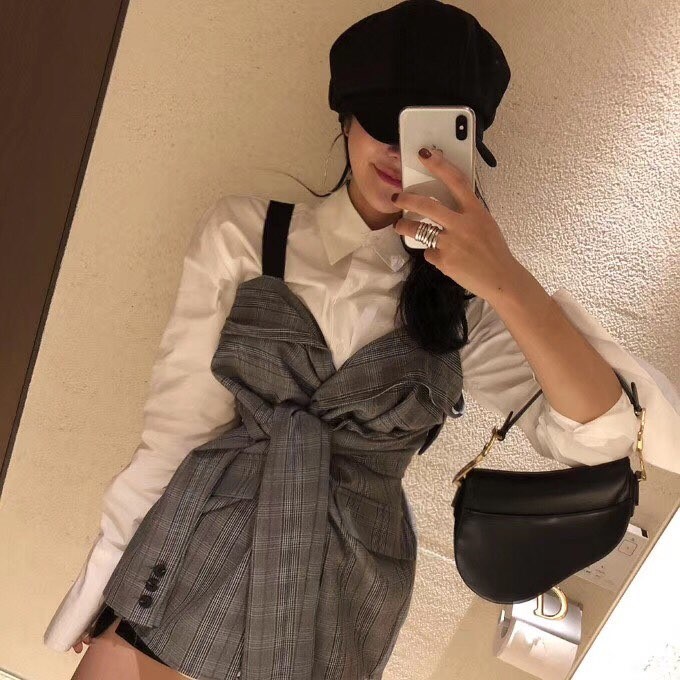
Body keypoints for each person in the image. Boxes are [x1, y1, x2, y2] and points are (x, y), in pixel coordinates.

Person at [45, 2, 650, 678]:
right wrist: (101, 585)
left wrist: (506, 279)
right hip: (188, 558)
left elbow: (601, 435)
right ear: (344, 118)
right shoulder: (246, 235)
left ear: (467, 149)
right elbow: (174, 433)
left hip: (339, 601)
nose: (401, 153)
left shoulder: (467, 308)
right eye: (385, 121)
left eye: (429, 135)